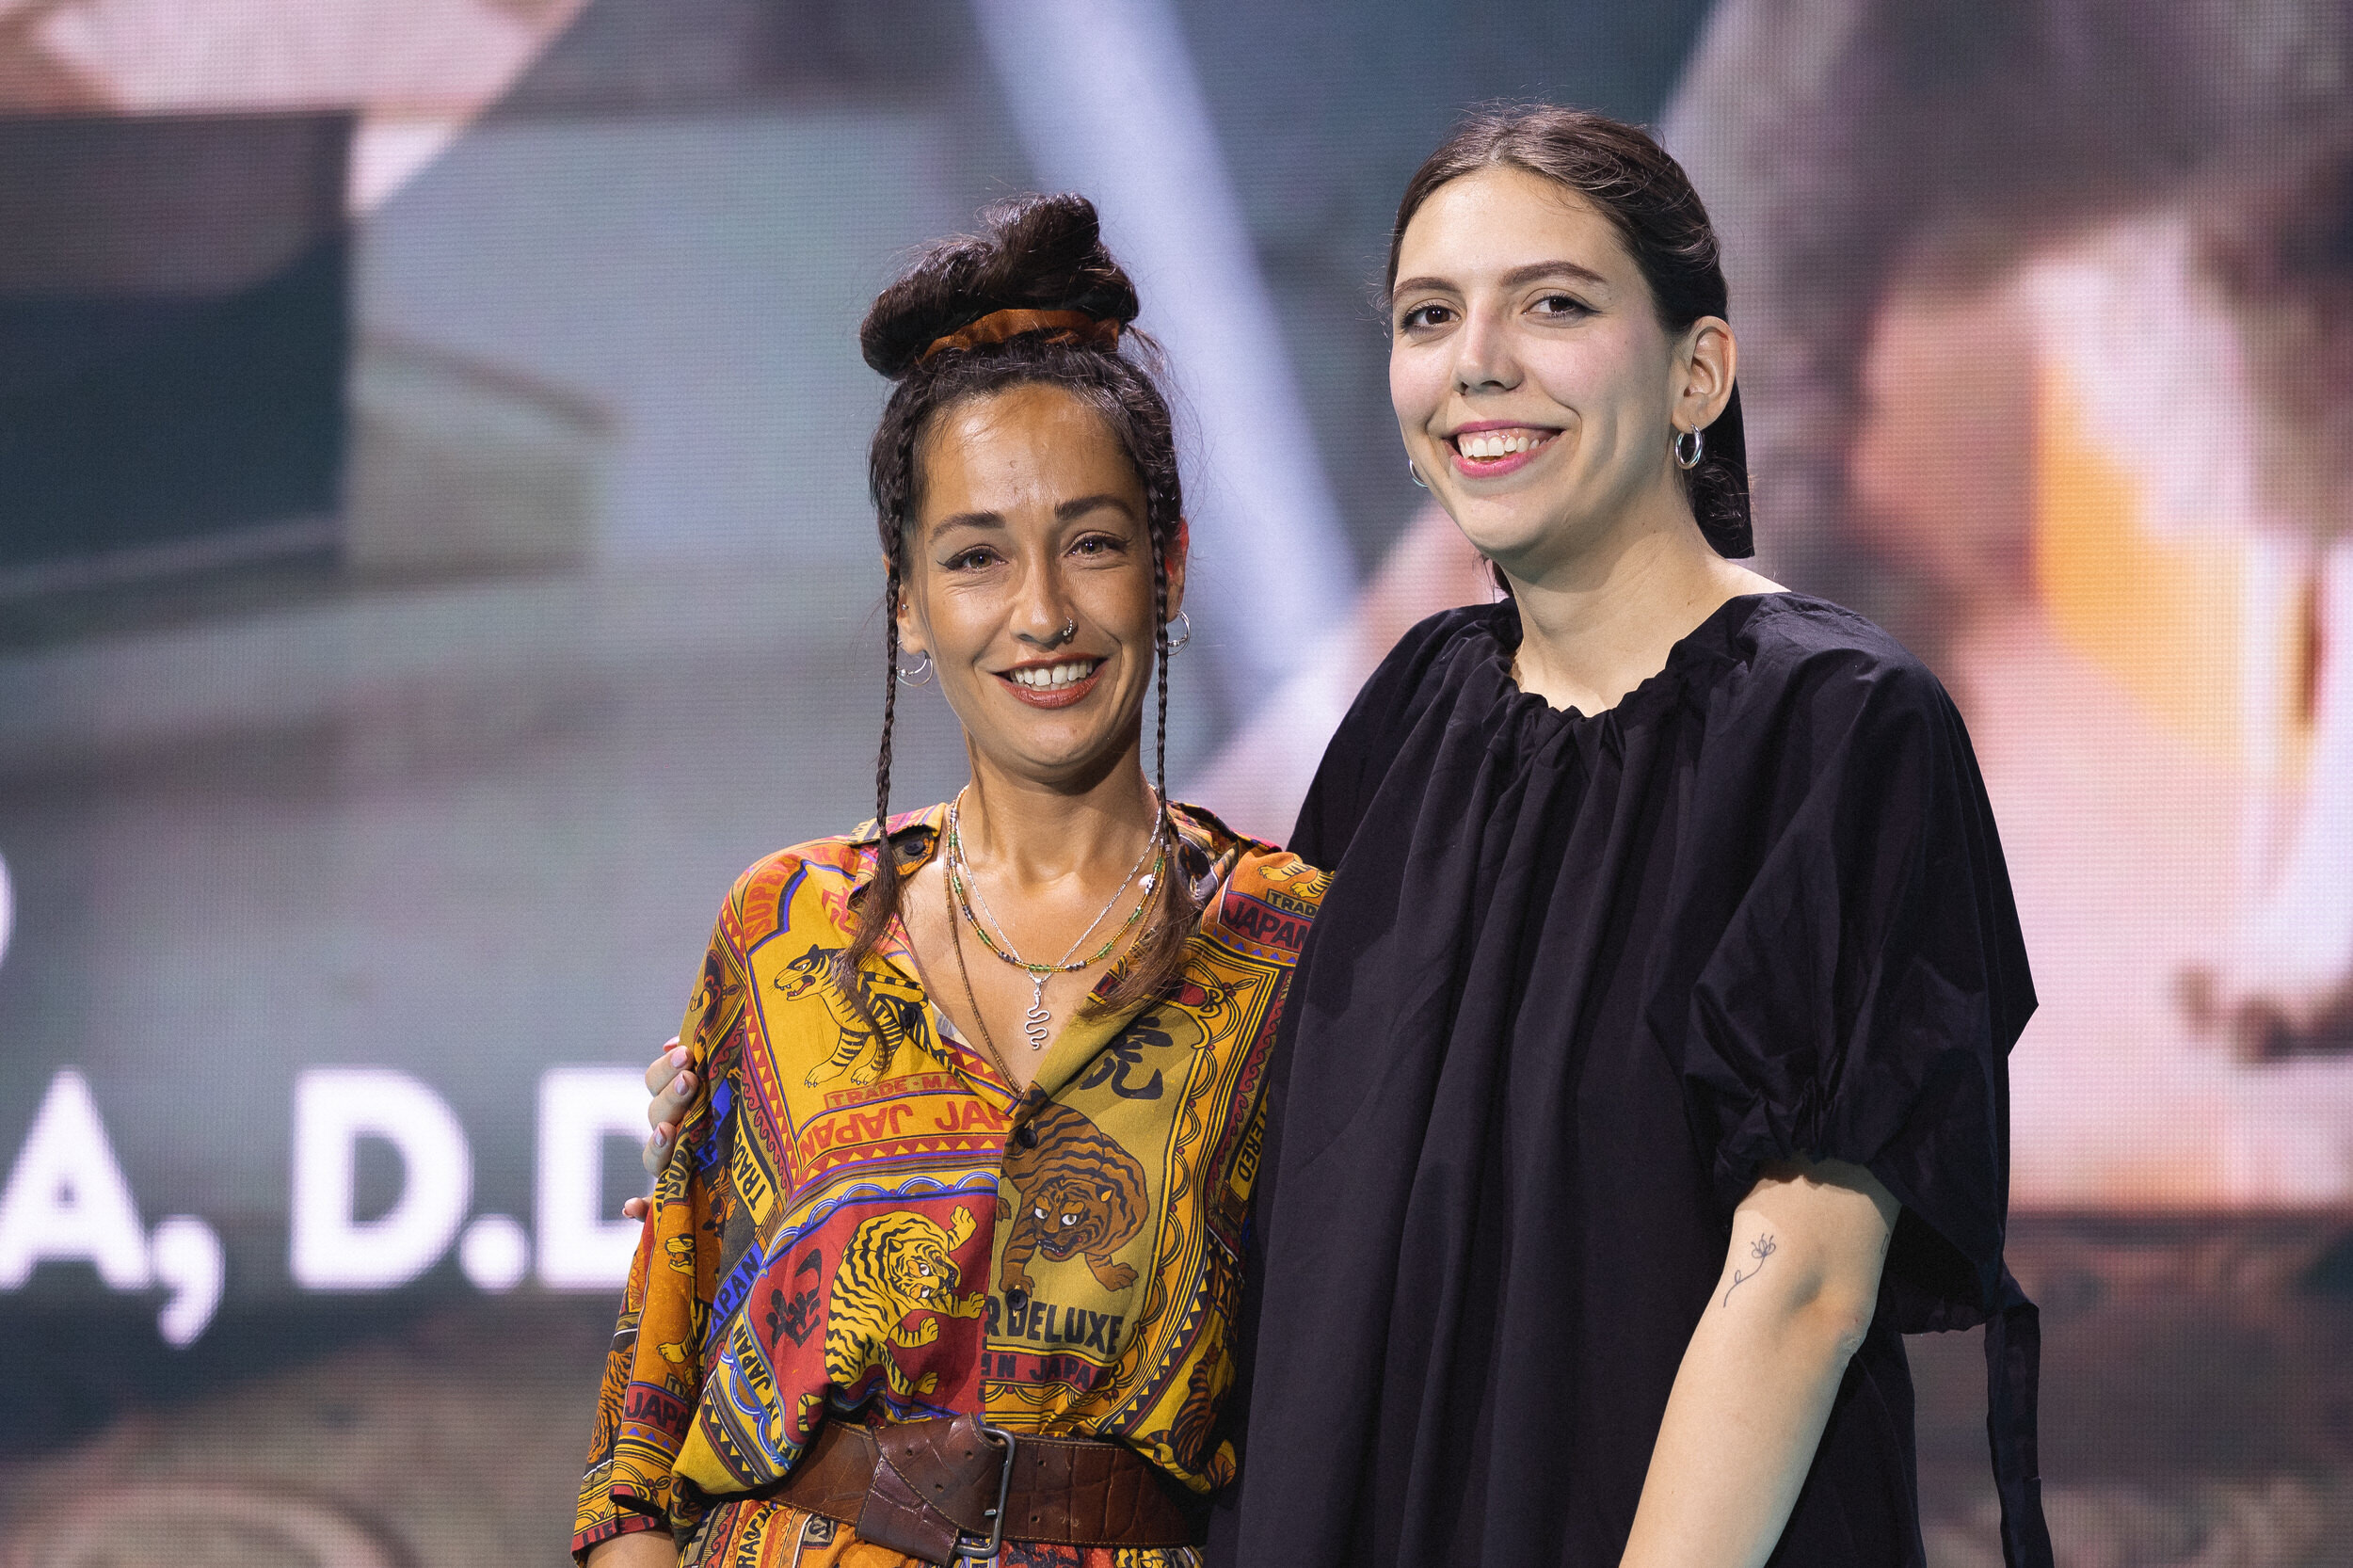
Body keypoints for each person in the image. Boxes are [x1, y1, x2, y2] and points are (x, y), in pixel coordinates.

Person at [634, 107, 2047, 1568]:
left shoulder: (1836, 728)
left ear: (1699, 369)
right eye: (1431, 315)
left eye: (1553, 304)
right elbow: (1254, 1161)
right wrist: (782, 1124)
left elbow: (1801, 1289)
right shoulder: (1418, 718)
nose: (1478, 360)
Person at [576, 193, 1329, 1568]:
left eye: (1092, 542)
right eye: (976, 557)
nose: (1041, 612)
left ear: (1168, 568)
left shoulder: (1292, 947)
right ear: (908, 601)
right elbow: (642, 1436)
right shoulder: (785, 930)